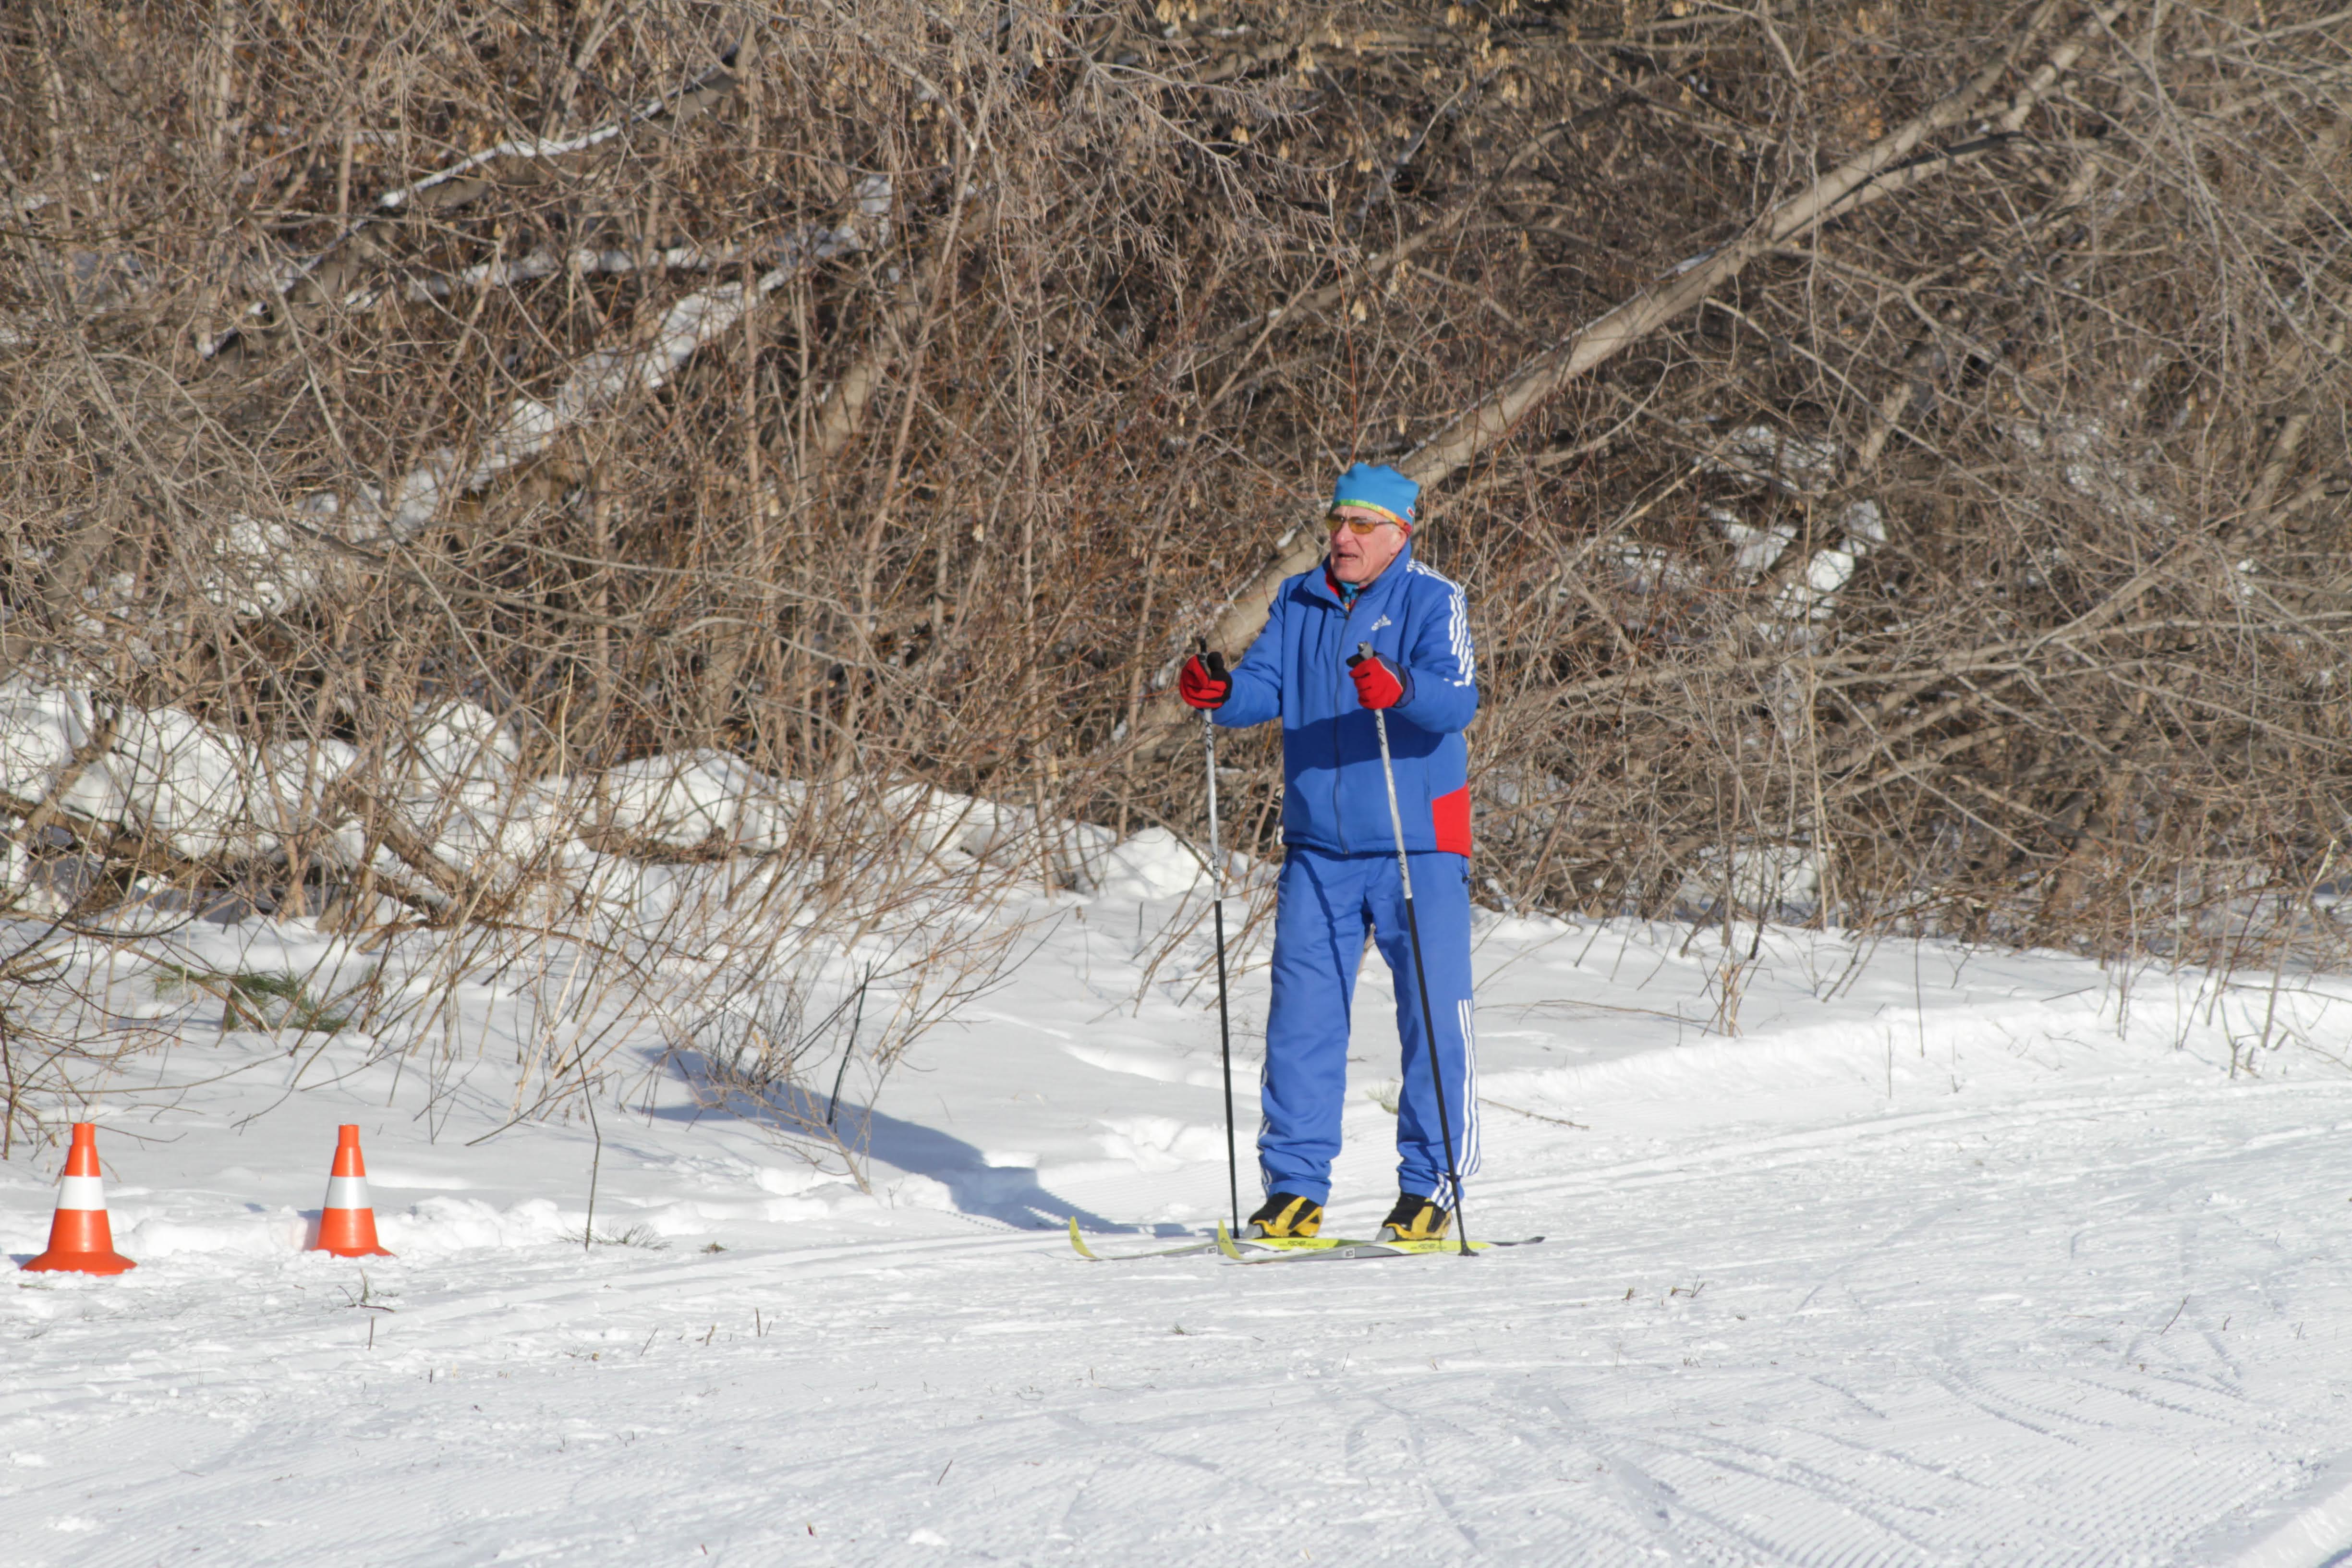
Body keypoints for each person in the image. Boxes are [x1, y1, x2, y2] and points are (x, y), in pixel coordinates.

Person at [1177, 462, 1480, 1242]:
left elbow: (1457, 699)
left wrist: (1400, 687)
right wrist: (1220, 693)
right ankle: (1294, 1189)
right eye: (1336, 522)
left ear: (1398, 534)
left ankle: (1430, 1185)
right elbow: (1263, 686)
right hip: (1318, 846)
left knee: (1432, 1017)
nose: (1342, 538)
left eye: (1361, 526)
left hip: (1418, 844)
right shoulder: (1299, 597)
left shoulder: (1433, 599)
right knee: (1301, 1022)